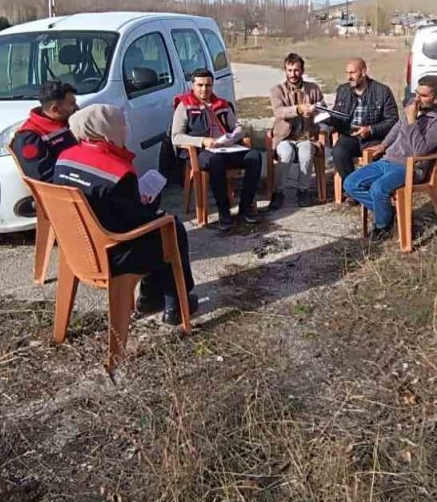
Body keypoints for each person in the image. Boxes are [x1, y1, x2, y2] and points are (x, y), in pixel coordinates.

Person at [53, 104, 197, 325]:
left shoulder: (64, 158)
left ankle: (152, 299)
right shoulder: (117, 171)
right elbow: (137, 220)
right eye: (121, 124)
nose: (125, 128)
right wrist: (148, 202)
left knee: (162, 227)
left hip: (76, 245)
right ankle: (176, 303)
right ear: (105, 129)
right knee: (171, 229)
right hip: (113, 253)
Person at [343, 74, 437, 242]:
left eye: (424, 96)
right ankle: (390, 213)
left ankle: (383, 226)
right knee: (350, 183)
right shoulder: (412, 107)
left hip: (410, 167)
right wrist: (383, 146)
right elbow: (397, 127)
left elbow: (420, 150)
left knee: (378, 188)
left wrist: (412, 120)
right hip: (388, 160)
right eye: (416, 94)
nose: (417, 99)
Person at [171, 68, 266, 233]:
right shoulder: (185, 105)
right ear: (192, 85)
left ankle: (245, 207)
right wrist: (203, 141)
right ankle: (224, 212)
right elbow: (176, 137)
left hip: (226, 148)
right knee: (216, 162)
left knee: (255, 156)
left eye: (208, 85)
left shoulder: (221, 104)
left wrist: (233, 137)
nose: (204, 89)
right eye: (200, 85)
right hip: (202, 153)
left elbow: (237, 127)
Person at [325, 57, 399, 185]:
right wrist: (323, 116)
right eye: (347, 73)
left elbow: (393, 120)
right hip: (350, 135)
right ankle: (353, 189)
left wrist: (370, 129)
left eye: (352, 73)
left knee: (378, 156)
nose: (349, 77)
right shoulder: (343, 90)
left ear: (363, 72)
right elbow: (337, 117)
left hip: (373, 137)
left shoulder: (382, 91)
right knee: (338, 152)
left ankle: (372, 189)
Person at [267, 52, 324, 209]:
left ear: (302, 71)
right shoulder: (277, 90)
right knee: (286, 153)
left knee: (306, 151)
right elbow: (278, 112)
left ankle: (303, 191)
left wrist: (315, 111)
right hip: (285, 137)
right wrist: (298, 109)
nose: (293, 74)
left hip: (307, 136)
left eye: (296, 70)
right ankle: (278, 192)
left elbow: (324, 110)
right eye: (290, 70)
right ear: (285, 70)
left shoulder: (313, 89)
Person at [12, 79, 78, 181]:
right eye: (72, 104)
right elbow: (43, 177)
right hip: (69, 189)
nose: (76, 107)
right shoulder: (30, 136)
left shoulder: (67, 121)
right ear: (55, 109)